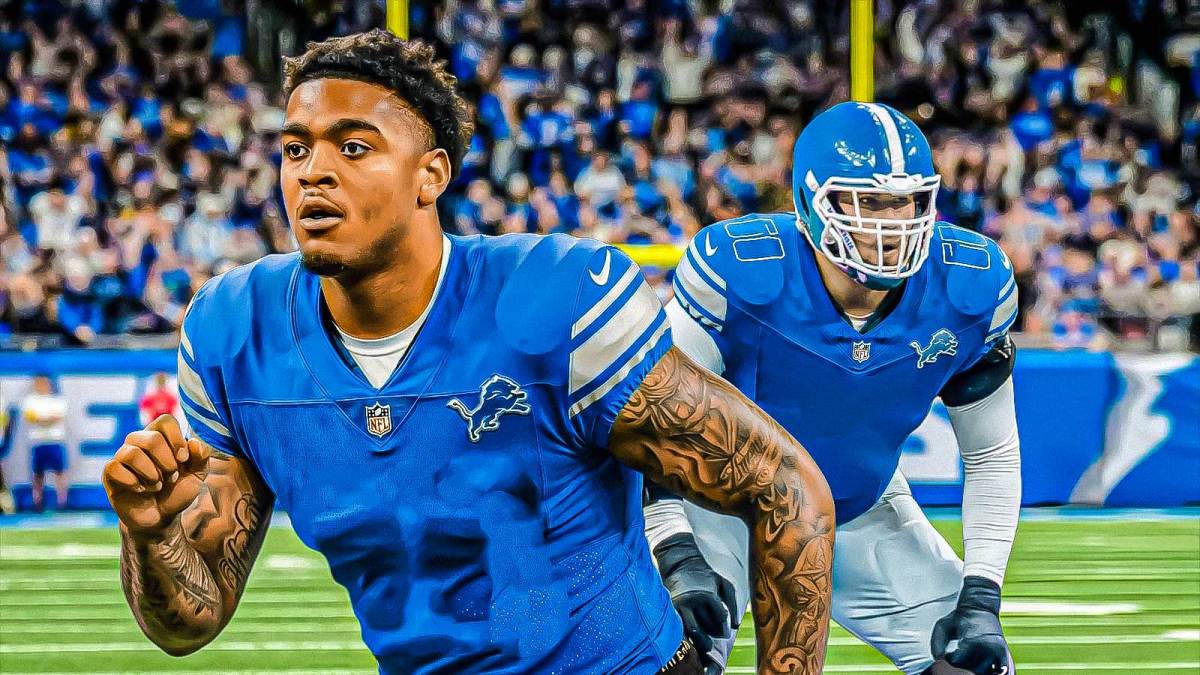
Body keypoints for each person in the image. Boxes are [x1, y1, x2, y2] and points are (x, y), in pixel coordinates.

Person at [102, 31, 834, 675]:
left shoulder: (552, 299)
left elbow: (788, 490)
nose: (312, 172)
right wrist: (151, 534)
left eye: (354, 147)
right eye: (297, 147)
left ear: (432, 175)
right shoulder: (236, 329)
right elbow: (190, 622)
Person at [646, 102, 1020, 675]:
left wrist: (982, 595)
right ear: (812, 201)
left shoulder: (969, 288)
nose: (892, 223)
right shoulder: (741, 274)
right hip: (717, 505)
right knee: (667, 660)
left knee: (973, 663)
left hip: (857, 509)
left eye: (907, 202)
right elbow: (645, 423)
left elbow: (992, 453)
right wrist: (673, 549)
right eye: (870, 202)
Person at [22, 374, 70, 511]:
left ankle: (62, 501)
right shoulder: (30, 401)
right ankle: (38, 502)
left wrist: (41, 418)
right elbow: (31, 417)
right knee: (38, 474)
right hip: (38, 442)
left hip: (55, 441)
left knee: (59, 472)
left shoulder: (57, 400)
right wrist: (47, 418)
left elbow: (57, 417)